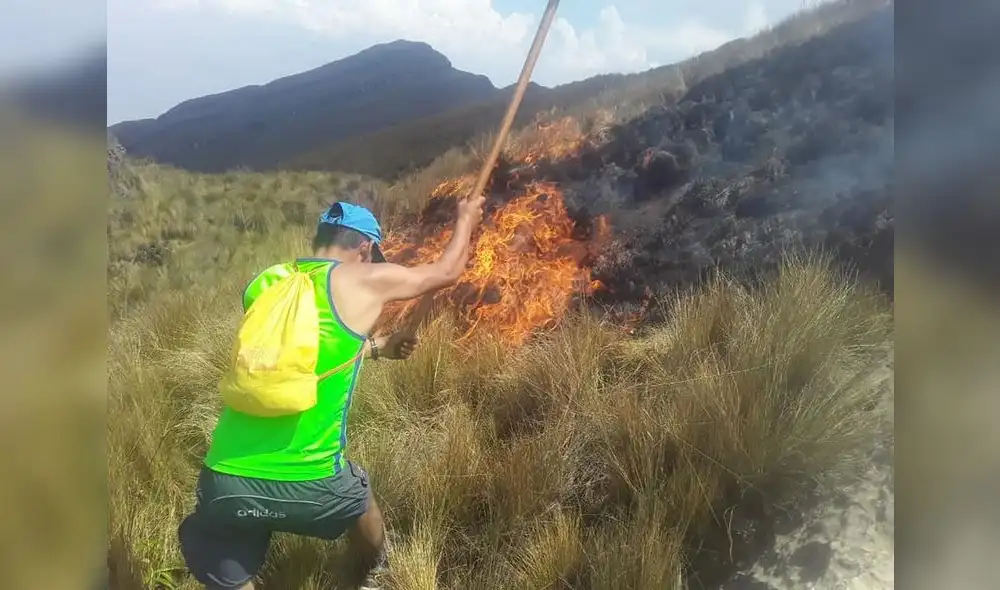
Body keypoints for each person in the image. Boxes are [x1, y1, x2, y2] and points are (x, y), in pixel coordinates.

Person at [178, 195, 486, 590]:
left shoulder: (267, 284)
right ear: (364, 247)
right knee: (358, 489)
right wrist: (465, 220)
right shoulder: (361, 277)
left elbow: (299, 356)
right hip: (313, 487)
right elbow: (447, 270)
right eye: (373, 256)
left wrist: (377, 347)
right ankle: (378, 570)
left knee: (230, 569)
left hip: (223, 481)